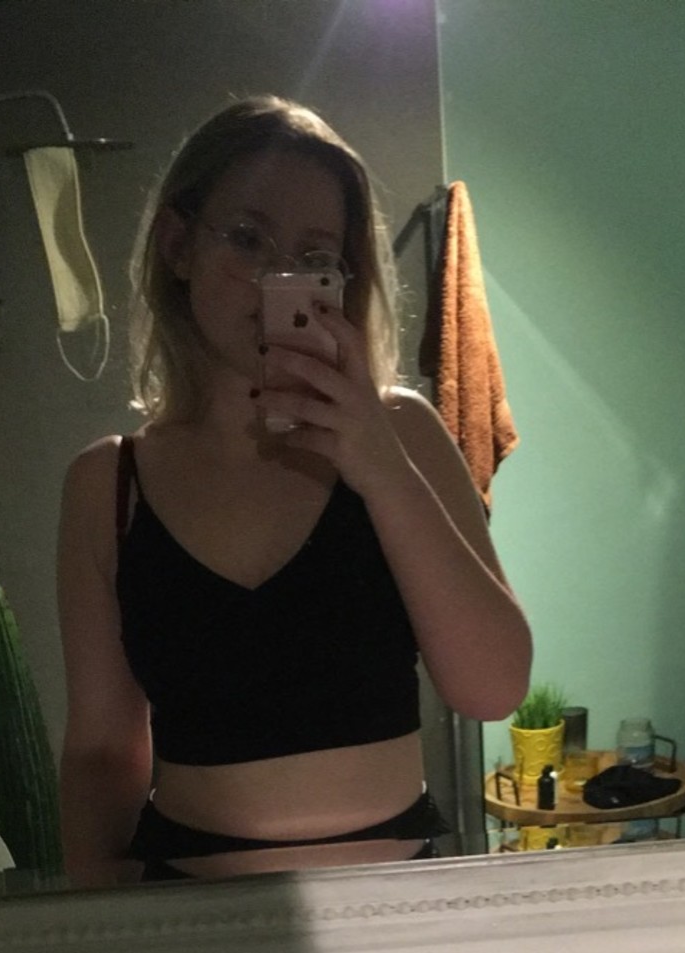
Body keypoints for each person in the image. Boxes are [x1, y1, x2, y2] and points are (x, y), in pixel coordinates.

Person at [57, 96, 531, 883]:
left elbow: (493, 687)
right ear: (178, 244)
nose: (278, 276)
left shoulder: (401, 434)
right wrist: (101, 939)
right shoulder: (107, 485)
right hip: (194, 918)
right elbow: (103, 752)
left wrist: (379, 467)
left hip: (398, 909)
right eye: (248, 239)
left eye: (314, 256)